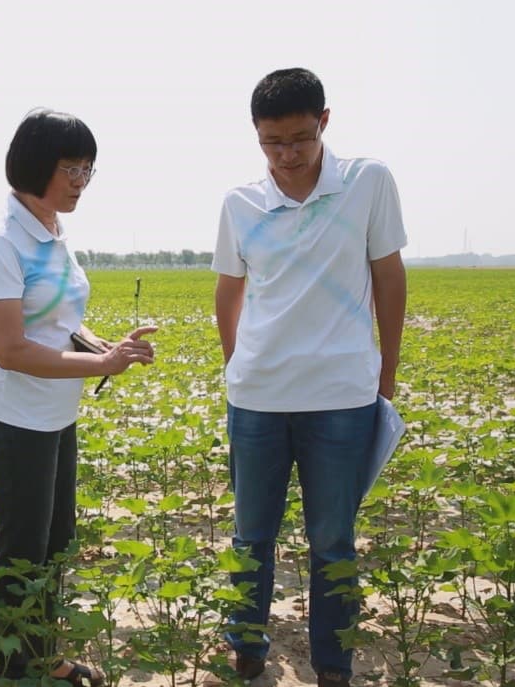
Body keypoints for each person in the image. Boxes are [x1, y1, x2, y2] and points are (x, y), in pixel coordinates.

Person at [212, 68, 407, 687]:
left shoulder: (367, 182)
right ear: (256, 135)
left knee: (333, 541)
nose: (287, 155)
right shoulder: (240, 203)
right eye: (272, 142)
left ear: (324, 122)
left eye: (299, 138)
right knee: (251, 536)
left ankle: (333, 665)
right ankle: (246, 648)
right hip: (257, 401)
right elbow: (228, 292)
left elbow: (389, 278)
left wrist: (385, 376)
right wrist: (238, 368)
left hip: (341, 398)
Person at [0, 109, 156, 686]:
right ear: (34, 165)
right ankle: (14, 667)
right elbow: (11, 349)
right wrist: (101, 365)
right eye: (71, 168)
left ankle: (41, 654)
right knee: (23, 548)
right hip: (14, 414)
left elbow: (61, 321)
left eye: (87, 169)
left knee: (55, 541)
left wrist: (104, 345)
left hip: (55, 411)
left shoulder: (52, 234)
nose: (80, 181)